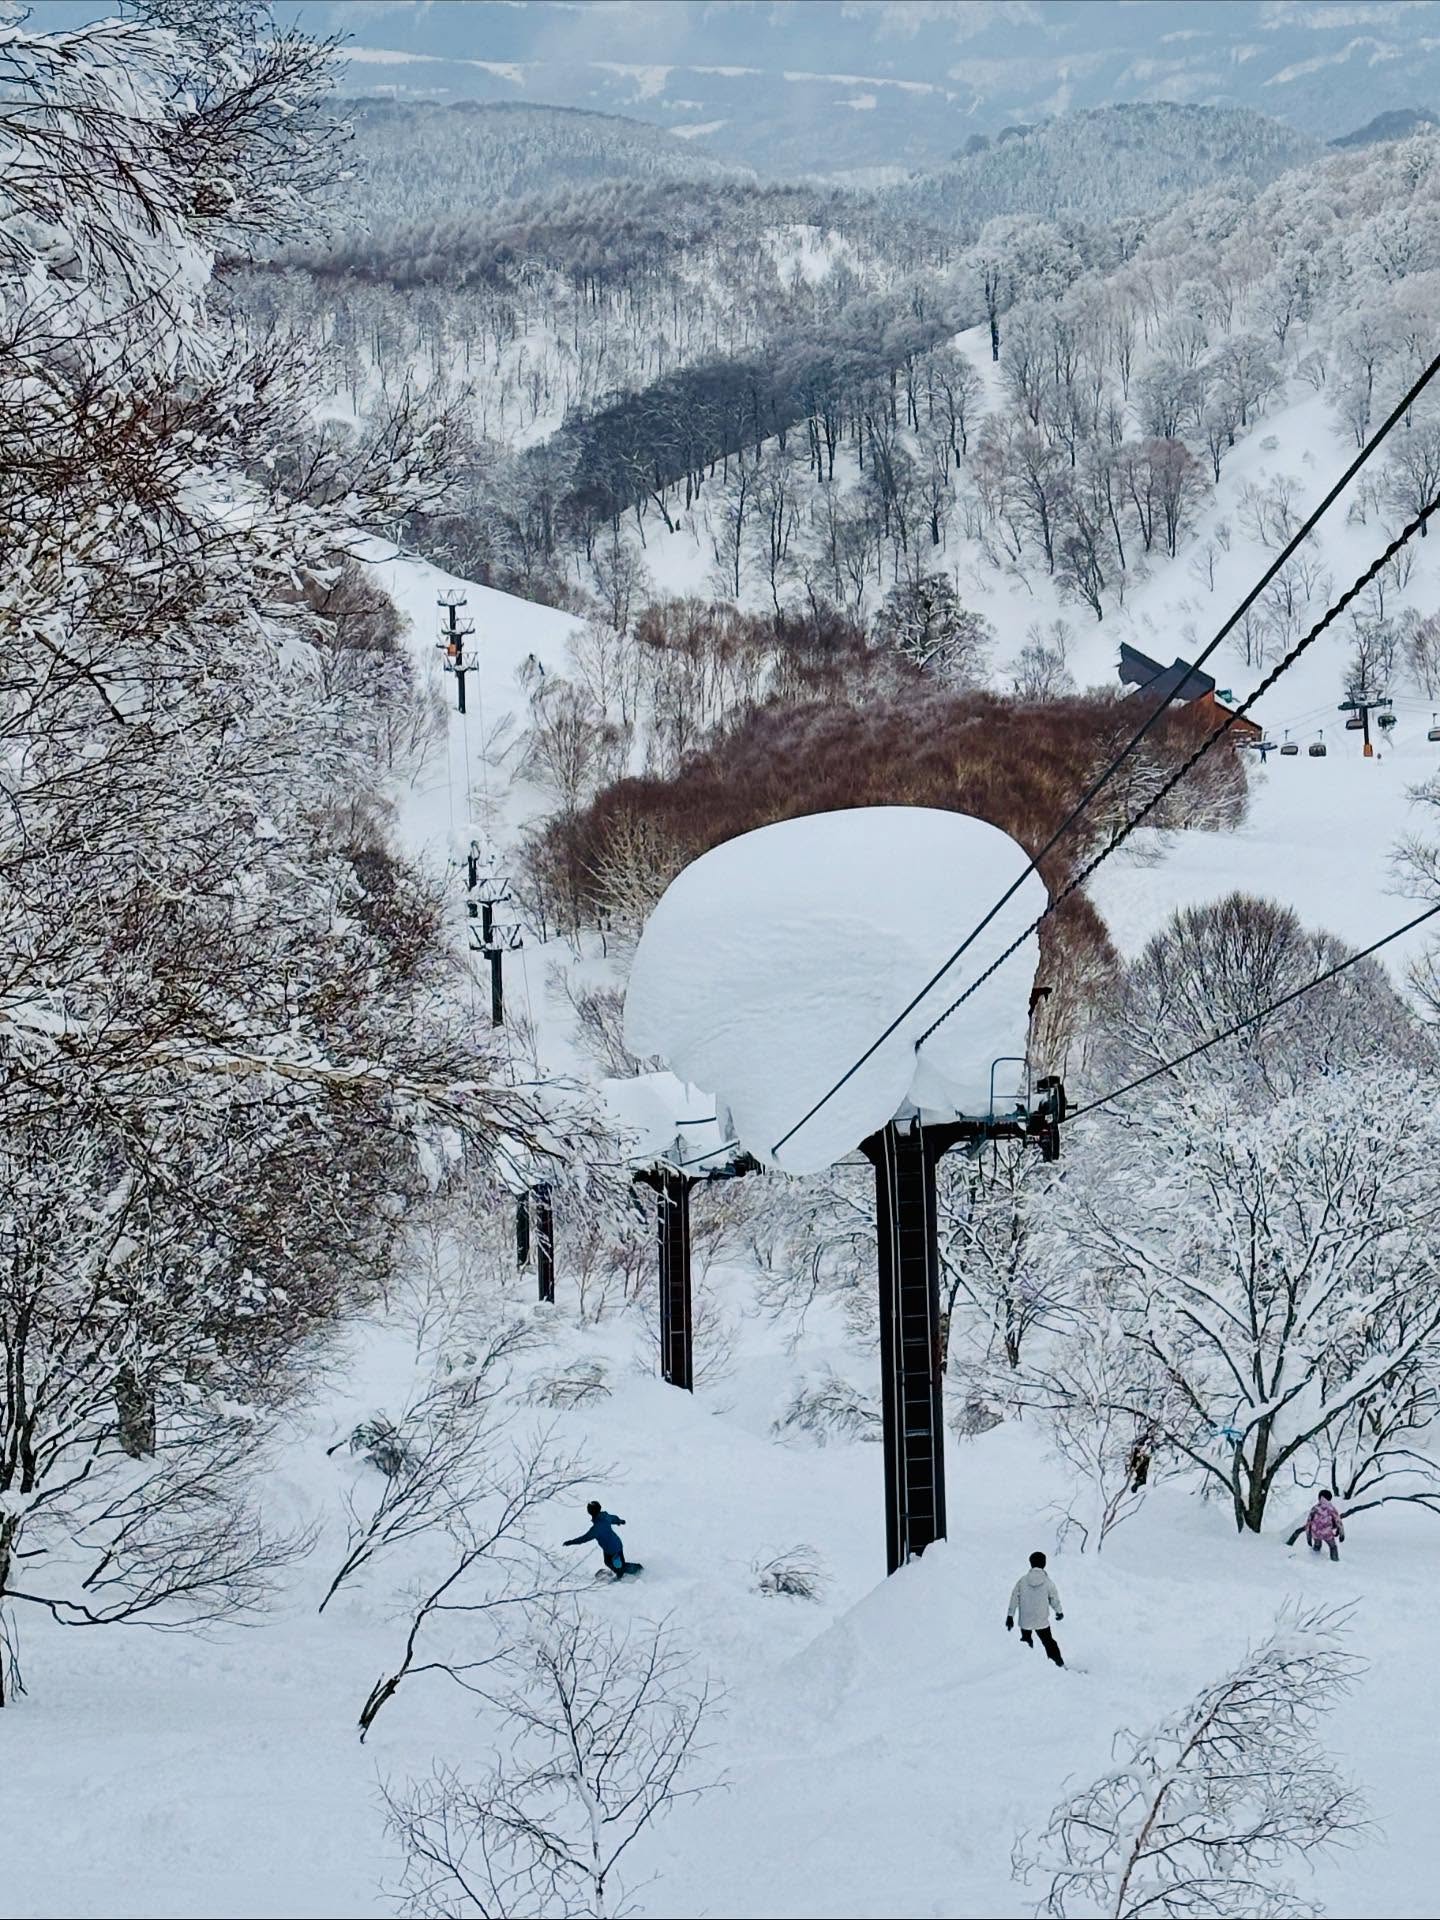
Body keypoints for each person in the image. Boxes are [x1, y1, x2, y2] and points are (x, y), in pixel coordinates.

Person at [1006, 1550, 1065, 1667]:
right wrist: (1059, 1612)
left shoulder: (1022, 1581)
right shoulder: (1048, 1582)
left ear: (1031, 1563)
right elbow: (1054, 1599)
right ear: (1044, 1564)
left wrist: (1010, 1616)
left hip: (1025, 1620)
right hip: (1041, 1620)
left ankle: (1027, 1665)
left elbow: (1014, 1598)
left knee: (1026, 1640)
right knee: (1049, 1642)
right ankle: (1058, 1664)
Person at [564, 1500, 641, 1579]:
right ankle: (620, 1571)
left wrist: (571, 1542)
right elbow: (613, 1518)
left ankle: (637, 1569)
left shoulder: (596, 1529)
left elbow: (584, 1539)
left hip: (613, 1549)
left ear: (590, 1512)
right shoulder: (605, 1516)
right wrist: (620, 1521)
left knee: (619, 1566)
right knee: (608, 1562)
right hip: (614, 1544)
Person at [1305, 1490, 1346, 1562]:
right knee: (1333, 1547)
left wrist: (1308, 1537)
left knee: (1317, 1544)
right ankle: (1335, 1561)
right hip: (1327, 1533)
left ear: (1320, 1497)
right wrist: (1341, 1533)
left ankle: (1314, 1559)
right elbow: (1338, 1521)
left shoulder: (1315, 1508)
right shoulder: (1331, 1508)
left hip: (1315, 1532)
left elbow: (1308, 1523)